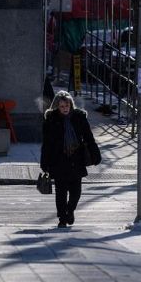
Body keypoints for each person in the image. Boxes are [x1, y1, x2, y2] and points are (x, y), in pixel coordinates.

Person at [40, 90, 100, 228]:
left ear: (71, 105)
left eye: (67, 106)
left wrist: (95, 153)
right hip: (58, 160)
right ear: (57, 106)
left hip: (76, 159)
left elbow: (89, 137)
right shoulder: (51, 119)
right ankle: (62, 218)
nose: (65, 109)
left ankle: (70, 210)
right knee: (60, 192)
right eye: (62, 106)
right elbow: (47, 143)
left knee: (76, 192)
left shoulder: (79, 117)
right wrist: (45, 162)